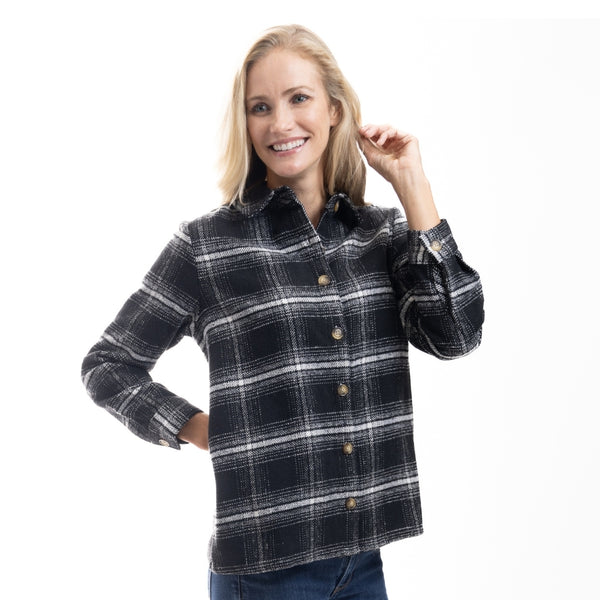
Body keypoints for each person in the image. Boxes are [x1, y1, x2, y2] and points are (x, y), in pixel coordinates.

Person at [82, 24, 484, 600]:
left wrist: (412, 184)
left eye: (299, 98)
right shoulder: (206, 246)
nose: (280, 123)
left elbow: (458, 335)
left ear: (335, 110)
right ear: (244, 124)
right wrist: (197, 427)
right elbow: (108, 364)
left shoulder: (381, 235)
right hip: (265, 572)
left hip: (363, 561)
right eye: (260, 107)